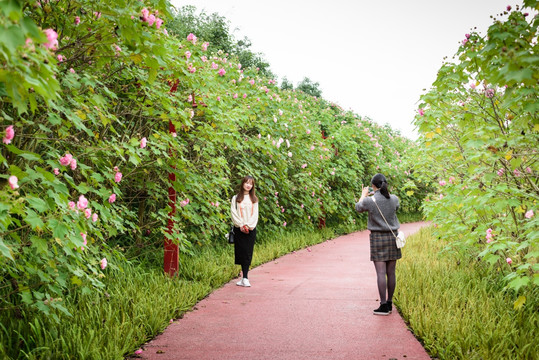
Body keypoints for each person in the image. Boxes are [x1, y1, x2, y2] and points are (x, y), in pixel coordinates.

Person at [355, 173, 401, 315]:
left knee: (381, 273)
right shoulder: (394, 199)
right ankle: (390, 303)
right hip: (393, 238)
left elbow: (358, 208)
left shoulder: (370, 200)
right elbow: (395, 208)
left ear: (373, 186)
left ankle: (383, 306)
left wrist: (363, 194)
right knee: (391, 273)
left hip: (377, 238)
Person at [230, 176, 259, 287]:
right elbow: (233, 212)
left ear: (252, 186)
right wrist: (241, 225)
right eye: (246, 183)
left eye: (250, 184)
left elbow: (255, 215)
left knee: (248, 252)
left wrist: (248, 226)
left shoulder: (254, 199)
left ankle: (245, 277)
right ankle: (243, 278)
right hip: (239, 229)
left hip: (250, 229)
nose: (248, 185)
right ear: (242, 184)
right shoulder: (236, 198)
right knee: (241, 252)